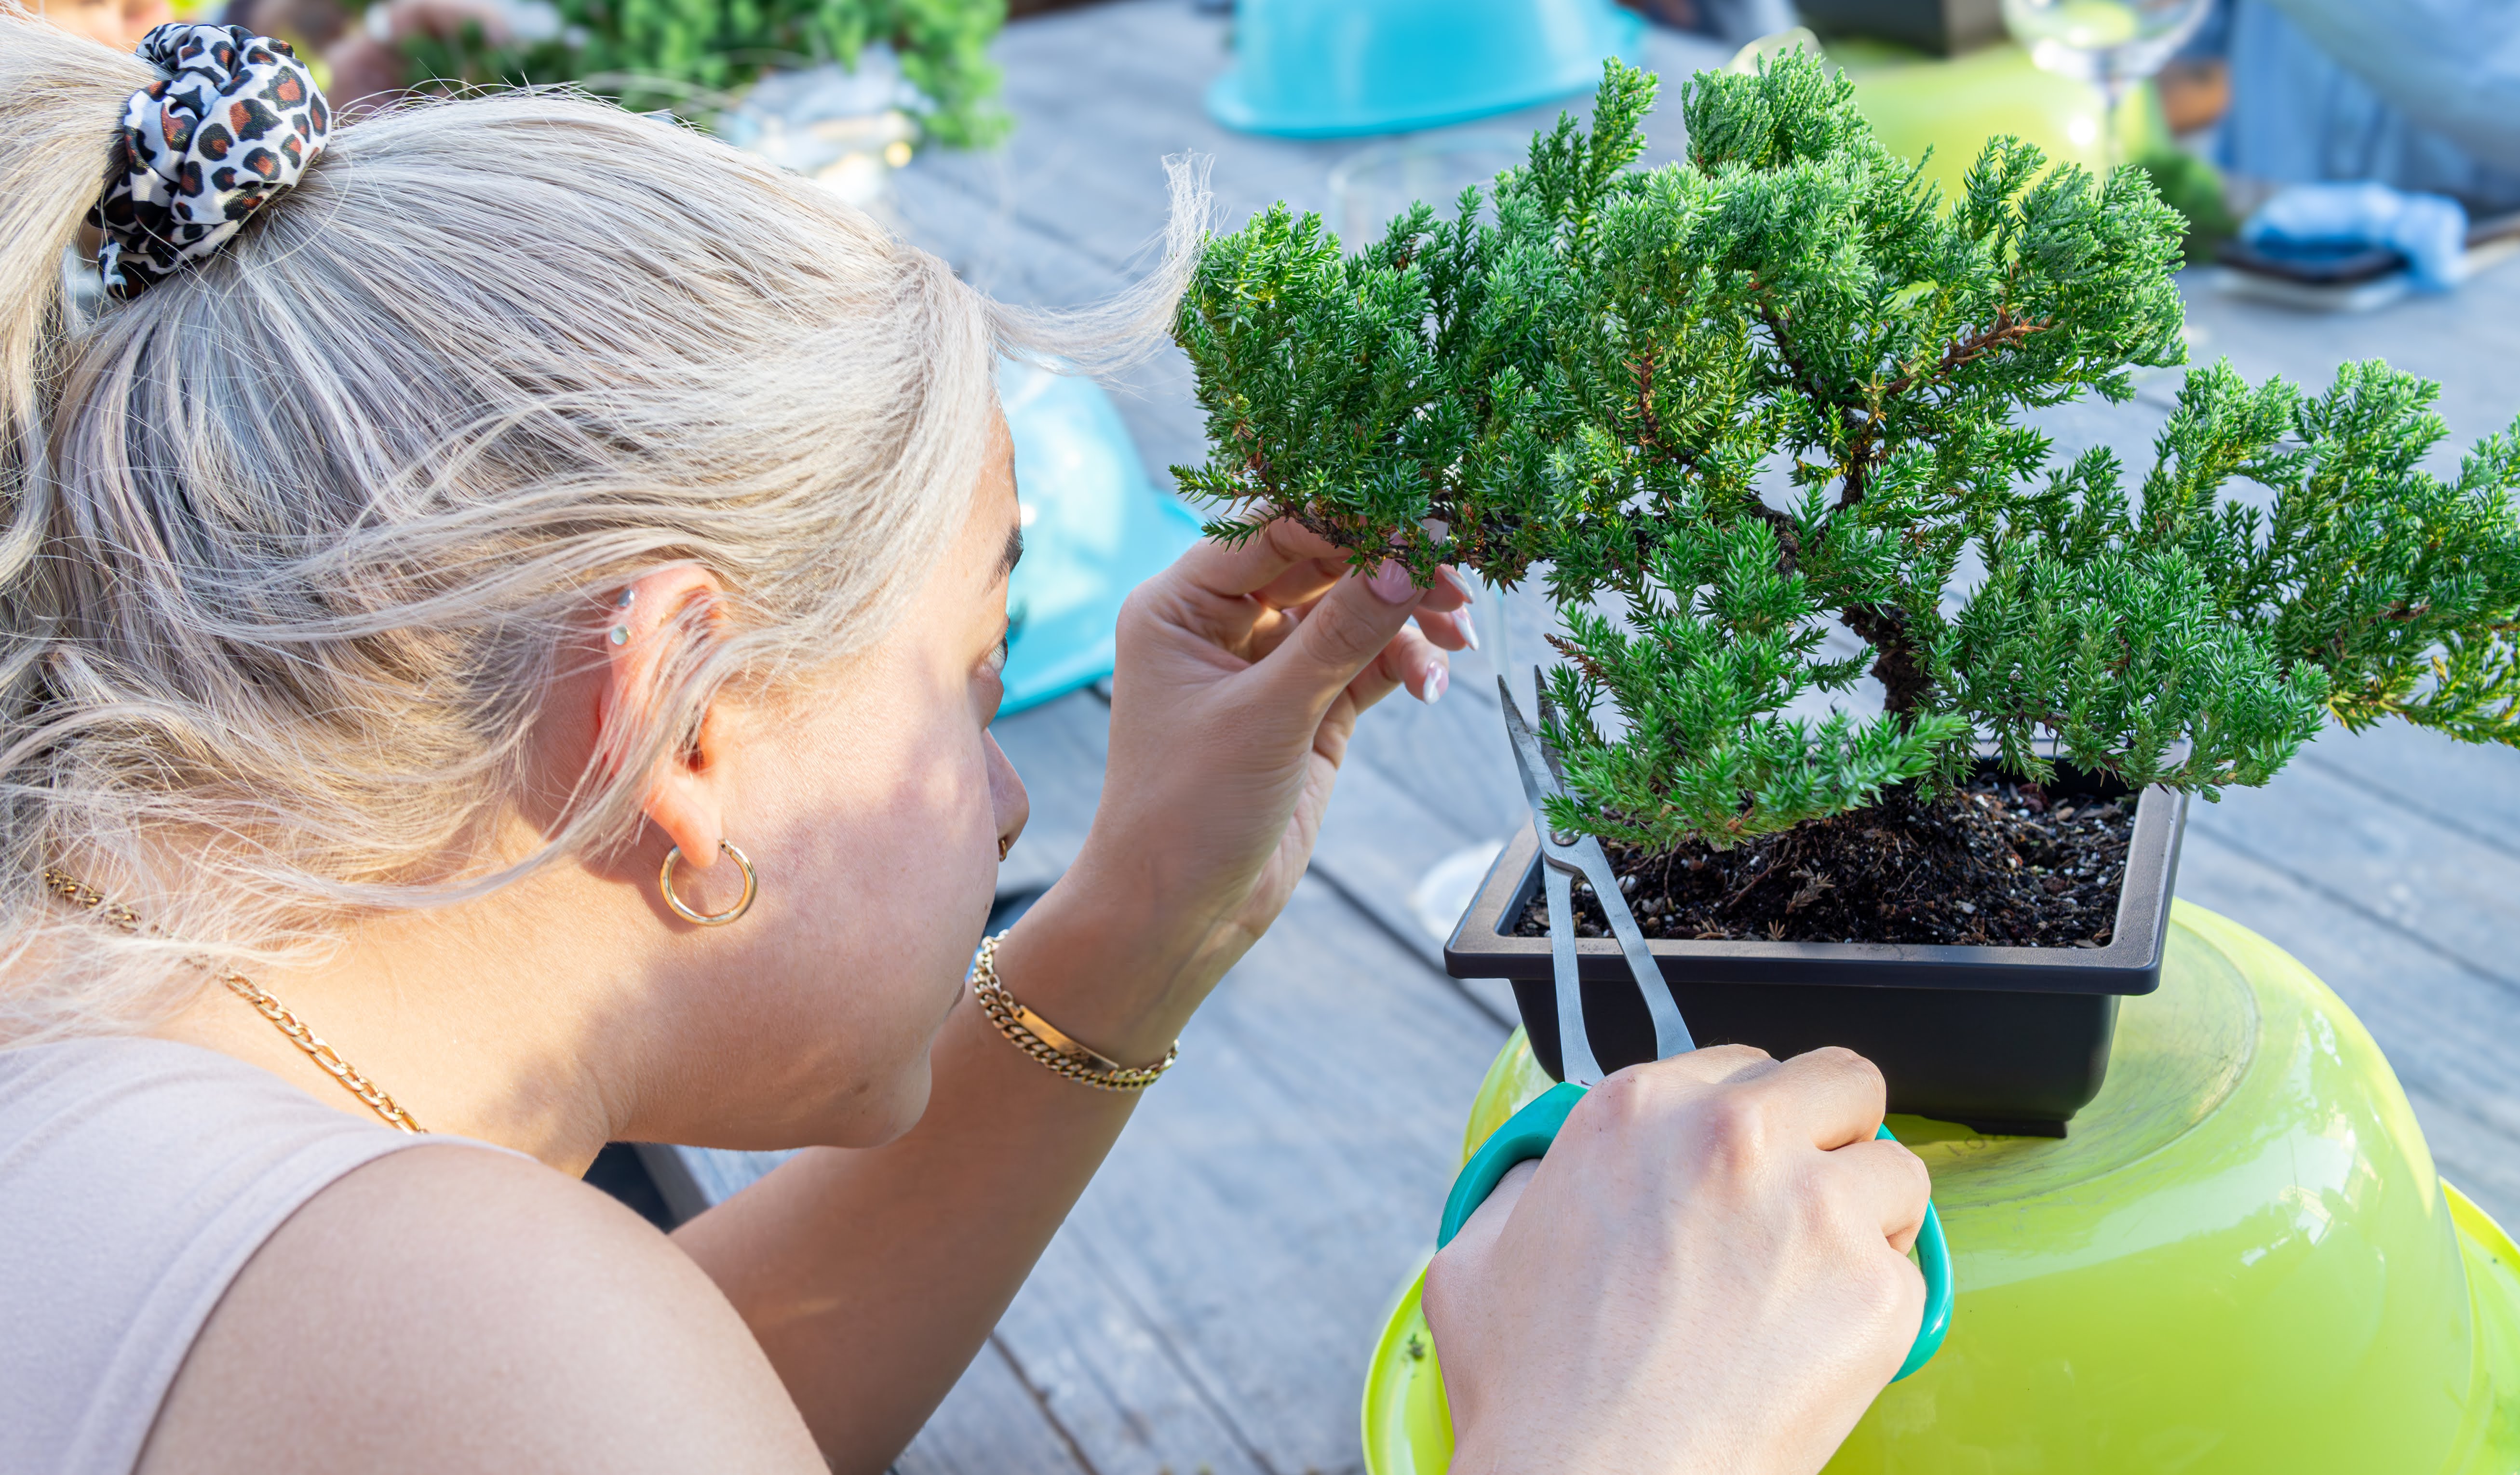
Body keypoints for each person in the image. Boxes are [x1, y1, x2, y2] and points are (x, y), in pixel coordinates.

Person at [0, 15, 1933, 1475]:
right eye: (975, 661)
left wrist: (1141, 923)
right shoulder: (463, 1319)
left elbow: (681, 1388)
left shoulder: (124, 1075)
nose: (1013, 785)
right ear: (671, 723)